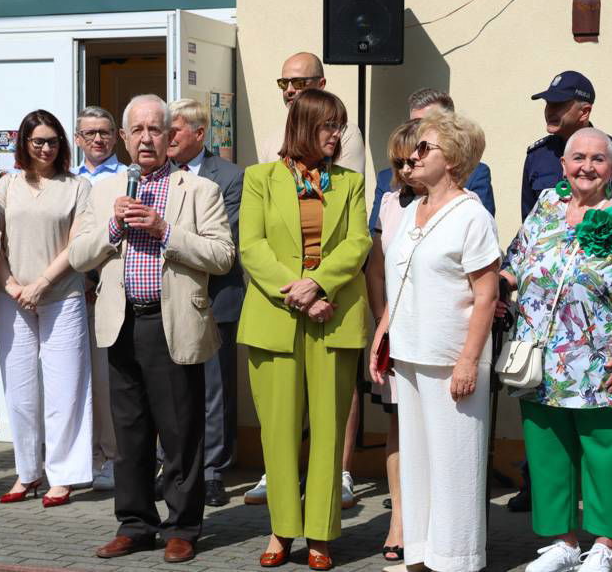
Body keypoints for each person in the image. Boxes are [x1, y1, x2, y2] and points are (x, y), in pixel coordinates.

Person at [71, 94, 234, 564]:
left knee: (181, 431)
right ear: (123, 138)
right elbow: (80, 256)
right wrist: (113, 229)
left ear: (171, 137)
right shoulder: (101, 191)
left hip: (173, 322)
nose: (146, 138)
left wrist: (165, 230)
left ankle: (183, 526)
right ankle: (136, 523)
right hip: (122, 324)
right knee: (130, 434)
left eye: (156, 130)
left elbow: (222, 255)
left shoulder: (197, 189)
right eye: (137, 130)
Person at [502, 128, 612, 572]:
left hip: (606, 361)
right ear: (564, 165)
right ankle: (565, 544)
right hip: (542, 358)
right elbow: (515, 261)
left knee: (609, 452)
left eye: (597, 159)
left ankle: (606, 546)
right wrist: (494, 288)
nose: (586, 167)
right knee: (550, 452)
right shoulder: (546, 208)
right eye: (578, 158)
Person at [239, 88, 370, 571]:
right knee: (278, 432)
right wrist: (293, 293)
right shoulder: (260, 178)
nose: (337, 134)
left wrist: (316, 284)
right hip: (275, 319)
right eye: (328, 125)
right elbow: (251, 247)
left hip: (332, 315)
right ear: (303, 127)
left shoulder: (351, 183)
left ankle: (321, 533)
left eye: (340, 125)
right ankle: (281, 530)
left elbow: (357, 243)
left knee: (329, 431)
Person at [370, 109, 499, 572]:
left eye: (425, 147)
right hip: (409, 353)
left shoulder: (472, 216)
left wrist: (469, 361)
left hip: (451, 358)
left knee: (456, 466)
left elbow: (486, 295)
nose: (414, 155)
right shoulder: (409, 210)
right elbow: (398, 279)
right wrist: (383, 333)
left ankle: (458, 560)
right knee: (419, 462)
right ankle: (421, 556)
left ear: (454, 158)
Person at [0, 110, 93, 508]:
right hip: (12, 295)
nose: (46, 148)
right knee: (19, 390)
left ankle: (63, 476)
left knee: (65, 388)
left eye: (52, 141)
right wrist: (12, 285)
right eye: (38, 142)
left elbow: (77, 244)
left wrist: (40, 284)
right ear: (25, 144)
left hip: (61, 293)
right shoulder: (5, 186)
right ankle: (28, 471)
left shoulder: (77, 186)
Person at [166, 97, 245, 507]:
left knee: (214, 389)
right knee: (168, 386)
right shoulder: (153, 174)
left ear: (199, 134)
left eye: (173, 129)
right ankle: (172, 465)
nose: (165, 137)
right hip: (163, 296)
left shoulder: (229, 176)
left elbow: (224, 238)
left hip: (214, 295)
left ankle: (213, 470)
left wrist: (166, 235)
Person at [366, 119, 422, 565]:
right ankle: (398, 521)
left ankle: (433, 523)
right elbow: (377, 271)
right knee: (398, 426)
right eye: (398, 163)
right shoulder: (388, 203)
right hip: (395, 330)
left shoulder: (451, 205)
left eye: (413, 159)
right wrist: (381, 322)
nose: (405, 169)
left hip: (436, 335)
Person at [71, 105, 125, 491]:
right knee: (74, 380)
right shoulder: (68, 180)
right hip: (69, 293)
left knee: (109, 382)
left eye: (104, 132)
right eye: (89, 133)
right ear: (77, 139)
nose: (98, 139)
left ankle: (111, 456)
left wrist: (94, 278)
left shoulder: (127, 178)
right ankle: (80, 456)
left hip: (106, 290)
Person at [521, 70, 612, 221]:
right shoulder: (537, 156)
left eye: (558, 105)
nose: (549, 111)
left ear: (585, 112)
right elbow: (529, 220)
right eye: (548, 104)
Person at [368, 88, 495, 231]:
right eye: (415, 123)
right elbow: (374, 236)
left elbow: (481, 231)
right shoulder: (387, 180)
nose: (419, 130)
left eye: (429, 124)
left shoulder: (474, 176)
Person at [258, 51, 365, 174]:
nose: (289, 90)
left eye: (298, 83)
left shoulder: (344, 134)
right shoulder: (272, 140)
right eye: (284, 83)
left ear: (321, 84)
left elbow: (342, 187)